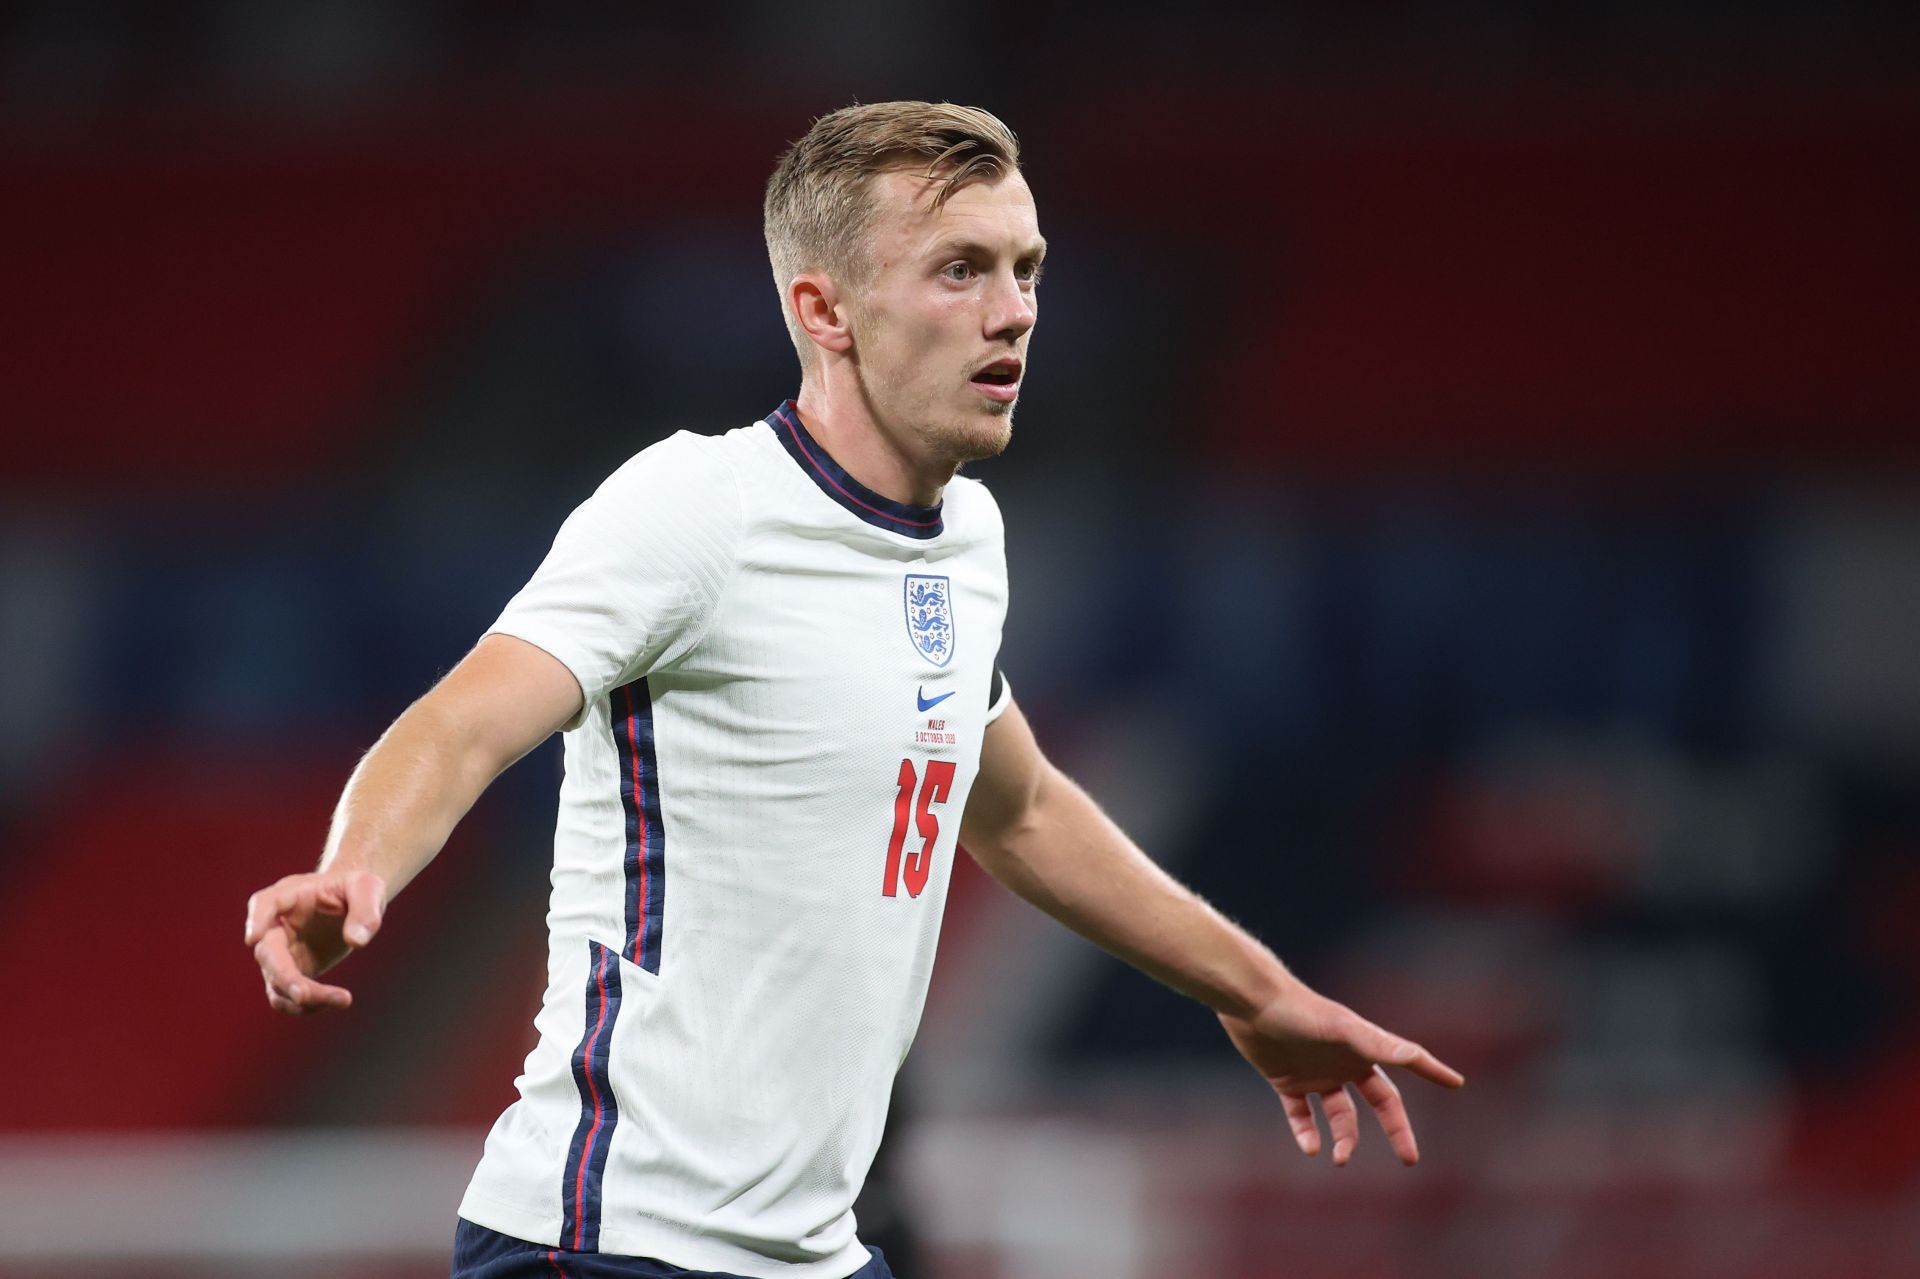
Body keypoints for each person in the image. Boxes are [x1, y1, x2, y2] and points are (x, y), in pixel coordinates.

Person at [243, 101, 1464, 1279]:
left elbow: (1020, 807)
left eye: (1026, 269)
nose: (1015, 314)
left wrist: (1258, 993)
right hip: (613, 1242)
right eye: (960, 271)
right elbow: (462, 723)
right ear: (823, 309)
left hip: (816, 1254)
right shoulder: (695, 510)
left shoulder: (966, 540)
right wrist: (361, 864)